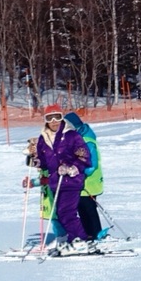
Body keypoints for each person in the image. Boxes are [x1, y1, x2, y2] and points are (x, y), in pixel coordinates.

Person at [27, 102, 94, 253]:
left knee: (66, 212)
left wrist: (72, 168)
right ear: (45, 120)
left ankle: (80, 239)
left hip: (71, 180)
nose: (54, 122)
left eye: (57, 117)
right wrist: (35, 160)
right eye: (50, 118)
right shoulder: (43, 138)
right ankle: (74, 239)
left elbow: (84, 156)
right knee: (62, 213)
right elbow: (44, 162)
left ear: (62, 117)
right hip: (55, 182)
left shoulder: (71, 135)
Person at [63, 109, 105, 239]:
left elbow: (92, 164)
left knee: (89, 209)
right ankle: (88, 234)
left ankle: (96, 234)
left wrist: (79, 172)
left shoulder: (87, 140)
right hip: (79, 183)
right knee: (81, 208)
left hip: (89, 183)